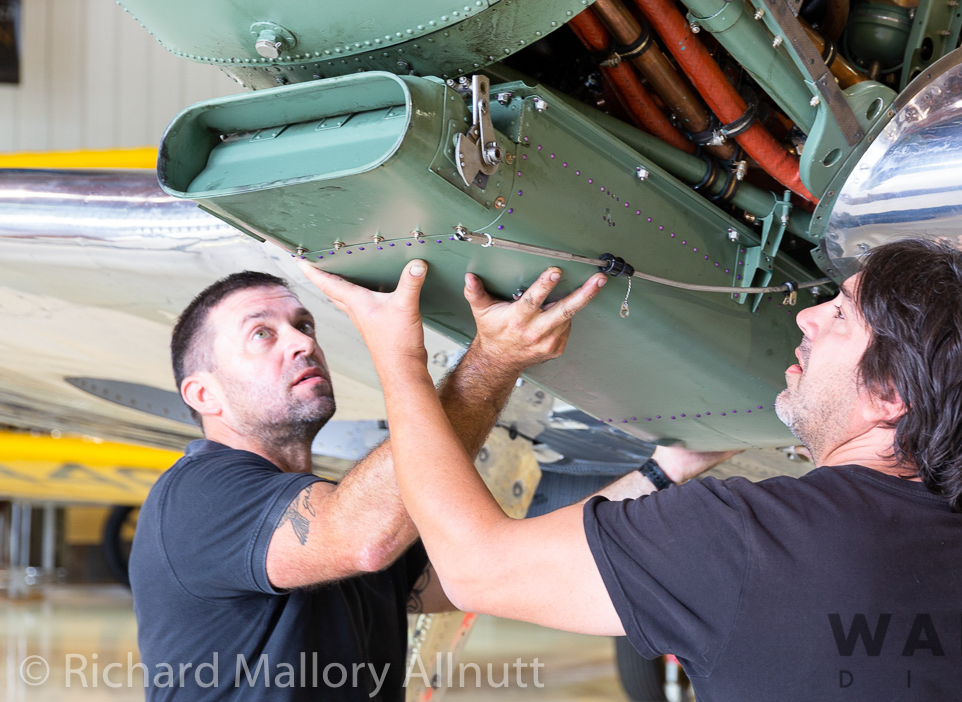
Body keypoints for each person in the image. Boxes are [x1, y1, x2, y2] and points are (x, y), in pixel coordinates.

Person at [302, 237, 962, 701]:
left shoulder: (755, 540)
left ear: (890, 395)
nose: (805, 316)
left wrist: (400, 359)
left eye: (839, 316)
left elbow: (476, 569)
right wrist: (667, 473)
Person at [129, 268, 733, 701]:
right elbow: (366, 535)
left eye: (303, 323)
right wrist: (487, 360)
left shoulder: (338, 519)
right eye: (262, 333)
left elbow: (504, 567)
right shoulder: (196, 498)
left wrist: (665, 469)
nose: (302, 341)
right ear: (203, 394)